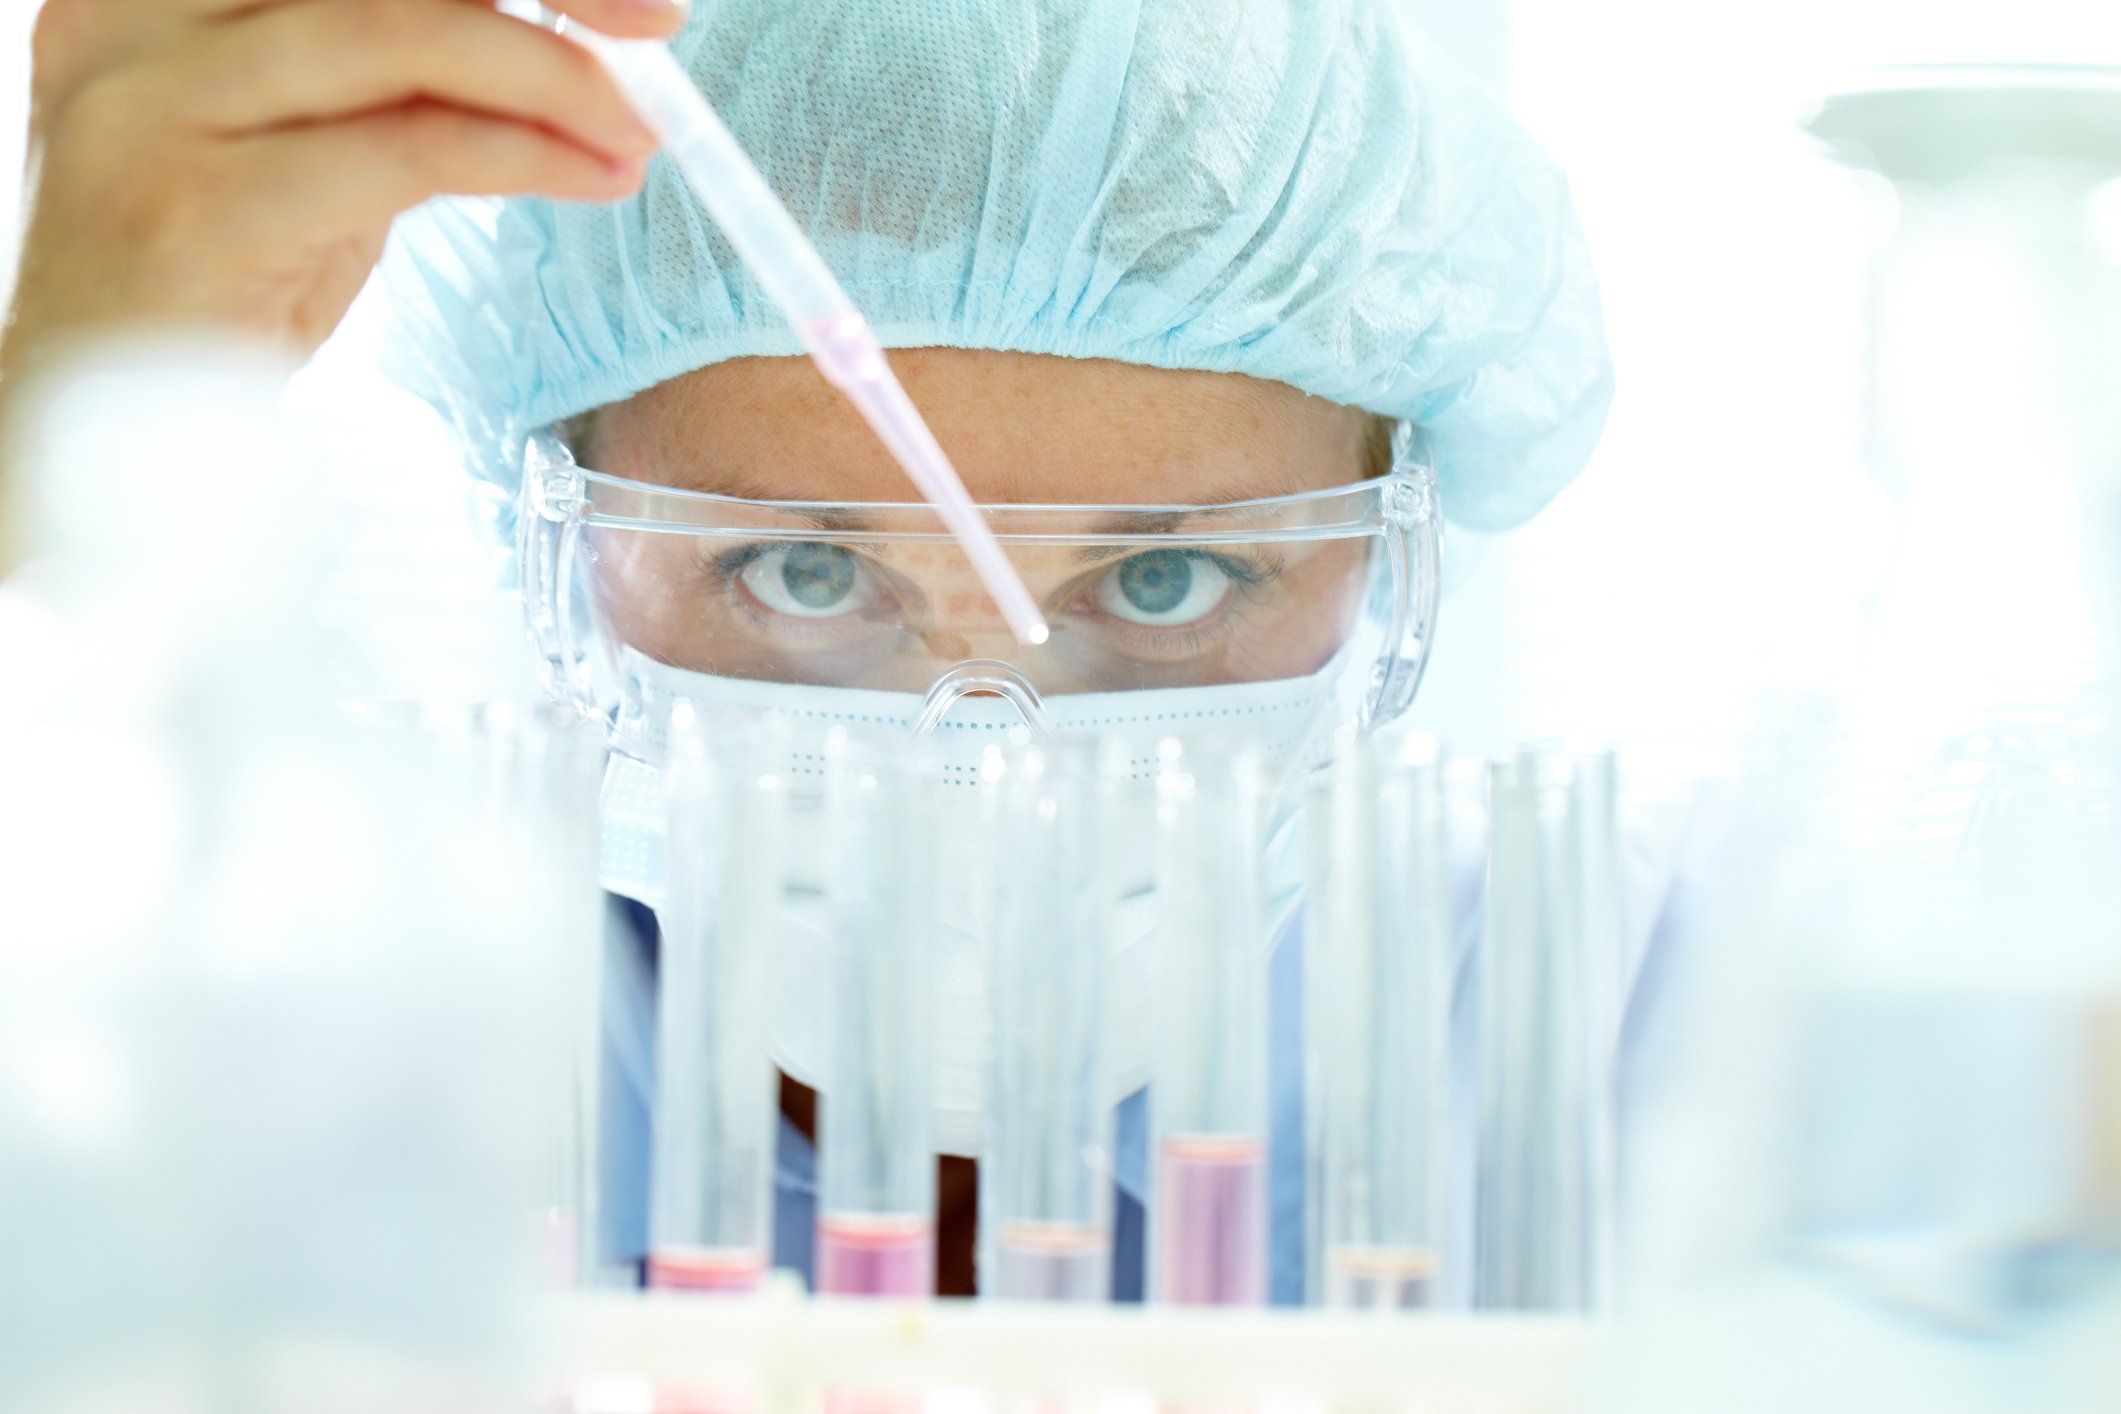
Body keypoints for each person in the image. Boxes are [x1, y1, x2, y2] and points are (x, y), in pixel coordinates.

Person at [2, 0, 1618, 1299]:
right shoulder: (280, 1022)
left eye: (1172, 583)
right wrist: (60, 446)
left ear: (1385, 555)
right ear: (555, 533)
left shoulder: (1635, 1040)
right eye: (800, 568)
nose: (980, 755)